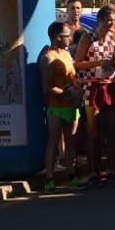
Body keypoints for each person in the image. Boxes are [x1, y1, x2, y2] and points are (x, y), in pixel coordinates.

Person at [74, 4, 115, 183]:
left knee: (112, 130)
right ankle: (93, 171)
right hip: (91, 87)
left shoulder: (114, 37)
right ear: (100, 20)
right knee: (93, 131)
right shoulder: (88, 38)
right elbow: (77, 63)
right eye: (108, 20)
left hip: (110, 86)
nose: (112, 23)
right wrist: (98, 63)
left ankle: (112, 168)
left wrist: (114, 64)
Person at [40, 23, 83, 191]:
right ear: (58, 37)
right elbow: (46, 88)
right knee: (53, 141)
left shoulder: (66, 53)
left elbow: (73, 77)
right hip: (55, 107)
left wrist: (78, 92)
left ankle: (71, 175)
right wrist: (66, 93)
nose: (70, 38)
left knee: (71, 142)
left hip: (71, 105)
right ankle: (49, 178)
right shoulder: (47, 58)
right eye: (67, 35)